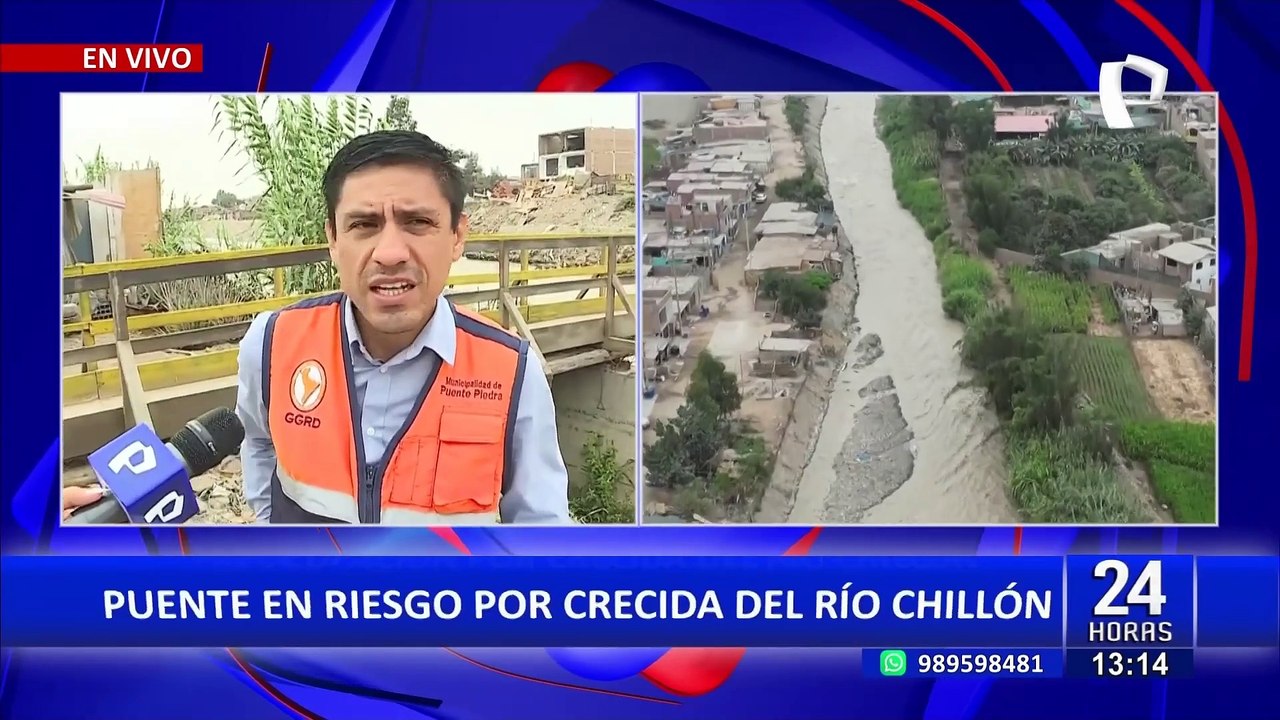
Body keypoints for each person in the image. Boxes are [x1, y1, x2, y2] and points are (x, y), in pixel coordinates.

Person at [235, 130, 571, 525]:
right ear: (333, 238)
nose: (390, 253)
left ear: (457, 236)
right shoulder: (274, 344)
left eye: (417, 222)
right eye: (364, 224)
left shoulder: (512, 371)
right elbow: (258, 441)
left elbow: (540, 533)